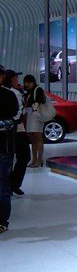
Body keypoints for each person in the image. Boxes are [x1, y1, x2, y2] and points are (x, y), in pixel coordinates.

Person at [0, 66, 19, 233]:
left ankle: (2, 221)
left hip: (4, 148)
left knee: (2, 184)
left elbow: (13, 118)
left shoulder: (9, 95)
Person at [4, 70, 29, 195]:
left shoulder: (14, 92)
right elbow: (18, 112)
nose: (18, 81)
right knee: (22, 156)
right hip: (15, 128)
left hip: (16, 128)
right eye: (16, 79)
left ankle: (11, 184)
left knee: (13, 157)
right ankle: (11, 185)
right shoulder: (13, 93)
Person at [23, 74, 46, 167]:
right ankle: (34, 159)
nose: (27, 84)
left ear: (33, 82)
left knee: (38, 137)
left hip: (37, 115)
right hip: (30, 115)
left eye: (29, 82)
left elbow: (39, 101)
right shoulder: (28, 92)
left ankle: (39, 159)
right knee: (32, 138)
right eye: (26, 82)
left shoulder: (38, 89)